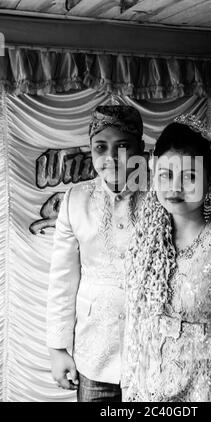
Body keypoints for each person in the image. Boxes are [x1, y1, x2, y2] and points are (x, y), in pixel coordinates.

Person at [123, 114, 211, 402]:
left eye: (189, 176)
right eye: (165, 174)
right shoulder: (147, 241)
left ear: (210, 181)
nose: (174, 187)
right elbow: (136, 328)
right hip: (156, 390)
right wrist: (132, 391)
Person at [46, 104, 145, 402]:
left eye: (123, 146)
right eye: (101, 147)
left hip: (151, 353)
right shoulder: (76, 199)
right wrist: (58, 349)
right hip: (94, 354)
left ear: (141, 148)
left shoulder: (162, 195)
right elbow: (62, 279)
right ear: (90, 149)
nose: (111, 158)